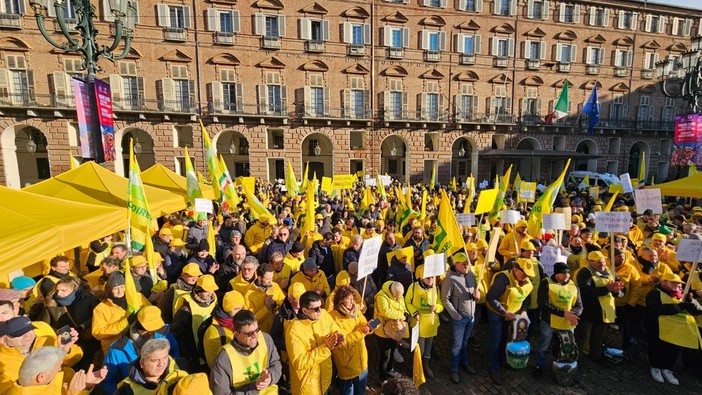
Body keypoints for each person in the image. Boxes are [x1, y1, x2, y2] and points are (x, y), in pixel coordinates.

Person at [101, 306, 180, 394]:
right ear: (139, 326)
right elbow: (107, 381)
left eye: (155, 328)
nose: (153, 332)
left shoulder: (164, 332)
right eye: (149, 329)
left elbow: (175, 354)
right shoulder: (117, 350)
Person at [646, 272, 702, 385]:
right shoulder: (654, 293)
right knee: (657, 347)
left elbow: (698, 310)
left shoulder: (683, 295)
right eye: (674, 283)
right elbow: (655, 309)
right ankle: (655, 367)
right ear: (664, 282)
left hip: (677, 329)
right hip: (658, 327)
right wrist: (678, 307)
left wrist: (691, 302)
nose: (678, 286)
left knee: (673, 350)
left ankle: (668, 369)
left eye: (679, 284)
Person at [485, 257, 535, 385]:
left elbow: (527, 298)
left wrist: (524, 310)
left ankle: (502, 360)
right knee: (495, 340)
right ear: (515, 270)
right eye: (524, 274)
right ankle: (494, 368)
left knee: (505, 339)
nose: (526, 278)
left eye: (528, 275)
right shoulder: (503, 280)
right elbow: (490, 297)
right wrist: (503, 312)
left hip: (511, 315)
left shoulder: (526, 281)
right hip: (497, 313)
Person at [210, 310, 282, 395]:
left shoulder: (266, 339)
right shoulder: (223, 359)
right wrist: (254, 387)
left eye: (257, 330)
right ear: (237, 335)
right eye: (250, 333)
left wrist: (271, 377)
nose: (255, 336)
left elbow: (276, 363)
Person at [285, 291, 343, 395]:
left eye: (321, 306)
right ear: (304, 310)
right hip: (307, 388)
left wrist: (339, 337)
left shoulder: (324, 315)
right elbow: (299, 362)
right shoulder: (294, 331)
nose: (320, 310)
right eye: (316, 309)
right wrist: (325, 348)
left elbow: (336, 329)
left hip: (325, 381)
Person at [38, 276, 100, 371]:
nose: (59, 293)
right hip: (67, 343)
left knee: (89, 364)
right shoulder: (51, 305)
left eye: (63, 290)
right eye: (57, 290)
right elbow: (44, 326)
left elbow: (99, 316)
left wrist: (83, 326)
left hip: (89, 338)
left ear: (74, 289)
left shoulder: (88, 298)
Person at [534, 262, 582, 376]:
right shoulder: (546, 283)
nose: (566, 276)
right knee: (543, 346)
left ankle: (562, 369)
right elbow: (543, 303)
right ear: (556, 274)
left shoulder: (574, 285)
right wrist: (563, 313)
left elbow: (579, 305)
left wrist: (573, 314)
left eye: (567, 273)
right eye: (562, 273)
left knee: (567, 347)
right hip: (549, 321)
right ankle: (539, 366)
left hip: (568, 322)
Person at [575, 251, 623, 364]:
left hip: (605, 312)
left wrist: (617, 291)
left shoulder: (611, 271)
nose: (602, 264)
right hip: (589, 311)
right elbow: (585, 292)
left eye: (603, 261)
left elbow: (620, 291)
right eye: (598, 262)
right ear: (590, 262)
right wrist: (607, 289)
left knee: (599, 337)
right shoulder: (584, 273)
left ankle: (595, 356)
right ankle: (577, 357)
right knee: (583, 336)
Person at [0, 316, 79, 384]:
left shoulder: (47, 340)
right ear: (3, 340)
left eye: (29, 329)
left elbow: (75, 359)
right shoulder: (2, 361)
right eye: (20, 333)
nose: (27, 335)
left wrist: (64, 351)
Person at [441, 253, 479, 383]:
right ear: (455, 264)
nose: (466, 265)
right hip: (459, 318)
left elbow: (474, 292)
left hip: (471, 316)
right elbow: (444, 299)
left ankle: (464, 362)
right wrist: (455, 315)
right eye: (463, 263)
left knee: (465, 342)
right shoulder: (449, 279)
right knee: (457, 345)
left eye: (467, 263)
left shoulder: (470, 275)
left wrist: (477, 296)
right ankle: (454, 368)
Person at [7, 346, 106, 395]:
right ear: (41, 377)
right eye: (58, 367)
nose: (60, 369)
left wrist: (86, 385)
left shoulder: (43, 384)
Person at [330, 285, 373, 395]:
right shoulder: (332, 319)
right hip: (347, 366)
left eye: (353, 298)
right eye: (349, 299)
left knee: (361, 392)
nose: (352, 302)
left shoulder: (356, 311)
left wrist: (370, 326)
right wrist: (362, 332)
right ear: (340, 300)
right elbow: (342, 342)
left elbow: (363, 324)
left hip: (362, 361)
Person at [172, 274, 219, 371]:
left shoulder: (214, 300)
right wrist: (188, 355)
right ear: (198, 289)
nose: (210, 293)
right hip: (194, 355)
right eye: (207, 290)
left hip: (210, 348)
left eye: (212, 289)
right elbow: (177, 333)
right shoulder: (186, 309)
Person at [92, 272, 147, 353]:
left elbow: (150, 311)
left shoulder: (138, 297)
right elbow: (98, 332)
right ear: (110, 289)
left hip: (141, 340)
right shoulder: (100, 309)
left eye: (122, 287)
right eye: (115, 288)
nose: (120, 291)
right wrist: (126, 322)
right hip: (117, 349)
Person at [406, 264, 444, 380]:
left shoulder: (436, 288)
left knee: (428, 347)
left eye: (432, 278)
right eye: (428, 278)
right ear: (421, 277)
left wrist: (436, 307)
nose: (431, 280)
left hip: (431, 324)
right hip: (419, 324)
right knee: (419, 348)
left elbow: (441, 305)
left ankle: (426, 365)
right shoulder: (413, 287)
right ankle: (418, 368)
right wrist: (414, 313)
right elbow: (407, 302)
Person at [115, 338, 188, 394]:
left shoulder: (180, 365)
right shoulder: (127, 390)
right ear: (142, 363)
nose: (161, 364)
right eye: (155, 360)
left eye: (165, 358)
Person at [374, 281, 409, 383]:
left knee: (392, 350)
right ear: (391, 291)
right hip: (382, 330)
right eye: (397, 296)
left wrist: (406, 312)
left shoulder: (398, 293)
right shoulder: (381, 296)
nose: (399, 298)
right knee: (385, 356)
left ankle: (389, 369)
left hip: (393, 330)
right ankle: (382, 378)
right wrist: (401, 315)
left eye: (400, 296)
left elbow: (402, 305)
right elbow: (385, 312)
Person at [242, 263, 286, 333]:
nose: (271, 281)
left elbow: (284, 303)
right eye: (268, 279)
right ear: (259, 278)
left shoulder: (275, 286)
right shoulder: (248, 295)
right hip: (262, 333)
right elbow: (250, 320)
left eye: (272, 277)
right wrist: (266, 308)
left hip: (278, 328)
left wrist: (275, 304)